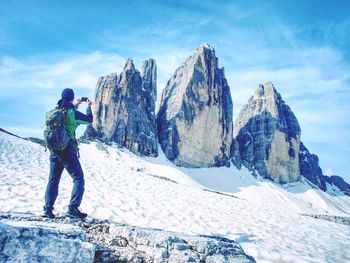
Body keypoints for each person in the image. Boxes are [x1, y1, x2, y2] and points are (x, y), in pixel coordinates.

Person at [43, 88, 93, 218]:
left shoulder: (55, 111)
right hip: (67, 149)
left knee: (53, 179)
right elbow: (89, 120)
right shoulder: (73, 113)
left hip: (54, 150)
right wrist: (88, 107)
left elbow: (66, 115)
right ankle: (73, 208)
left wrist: (74, 106)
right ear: (72, 98)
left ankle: (48, 210)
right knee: (78, 178)